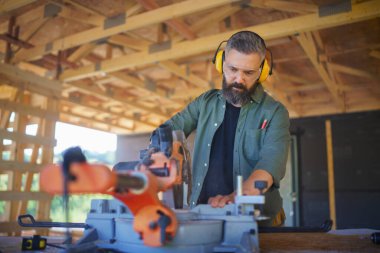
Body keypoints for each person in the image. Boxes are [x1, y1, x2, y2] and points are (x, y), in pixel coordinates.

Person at [162, 31, 290, 226]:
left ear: (262, 71)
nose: (239, 79)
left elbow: (270, 165)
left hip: (256, 221)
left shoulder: (274, 112)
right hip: (202, 216)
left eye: (248, 73)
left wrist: (238, 196)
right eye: (232, 69)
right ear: (221, 64)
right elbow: (171, 128)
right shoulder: (205, 102)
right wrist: (160, 150)